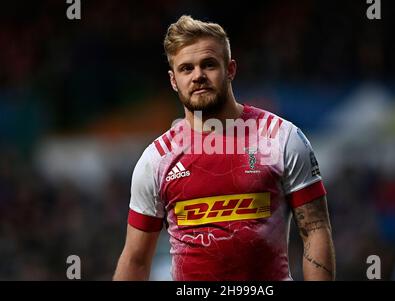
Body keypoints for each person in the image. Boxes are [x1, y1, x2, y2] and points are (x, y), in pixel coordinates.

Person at [113, 15, 335, 281]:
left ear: (230, 69)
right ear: (173, 81)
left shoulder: (282, 138)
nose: (198, 76)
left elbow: (315, 229)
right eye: (186, 68)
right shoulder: (157, 160)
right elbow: (135, 259)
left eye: (208, 65)